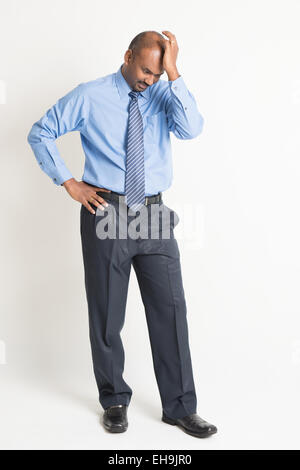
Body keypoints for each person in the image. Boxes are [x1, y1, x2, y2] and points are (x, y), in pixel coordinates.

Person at [27, 30, 218, 439]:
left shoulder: (165, 94)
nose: (148, 80)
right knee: (107, 313)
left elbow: (192, 129)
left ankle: (180, 407)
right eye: (145, 70)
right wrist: (69, 182)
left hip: (153, 214)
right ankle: (114, 400)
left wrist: (174, 73)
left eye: (156, 72)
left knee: (170, 312)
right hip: (106, 210)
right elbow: (40, 132)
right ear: (128, 56)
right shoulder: (90, 95)